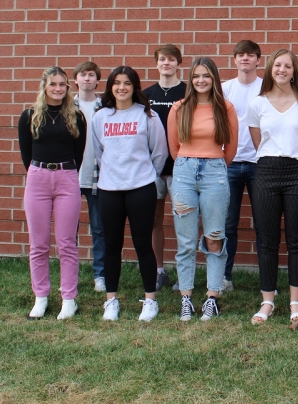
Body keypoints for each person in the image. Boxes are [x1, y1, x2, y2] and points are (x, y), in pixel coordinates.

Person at [246, 49, 298, 326]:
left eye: (287, 66)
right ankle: (267, 301)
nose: (282, 70)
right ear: (270, 69)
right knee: (266, 239)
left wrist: (292, 159)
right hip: (266, 171)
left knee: (296, 239)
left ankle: (295, 302)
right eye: (277, 65)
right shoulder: (258, 104)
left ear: (294, 71)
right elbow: (258, 142)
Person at [91, 66, 169, 322]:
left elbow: (159, 154)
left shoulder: (147, 115)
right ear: (110, 87)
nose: (121, 87)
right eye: (117, 83)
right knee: (112, 246)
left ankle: (150, 301)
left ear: (135, 87)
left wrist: (143, 175)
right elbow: (98, 153)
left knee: (142, 245)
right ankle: (111, 301)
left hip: (141, 189)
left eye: (127, 83)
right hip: (109, 190)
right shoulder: (100, 117)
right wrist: (113, 174)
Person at [166, 58, 238, 321]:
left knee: (214, 237)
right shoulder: (179, 108)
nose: (201, 81)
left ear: (214, 79)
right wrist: (191, 161)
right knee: (185, 241)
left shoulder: (225, 108)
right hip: (184, 173)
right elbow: (174, 147)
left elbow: (230, 149)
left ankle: (212, 298)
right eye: (196, 76)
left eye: (206, 76)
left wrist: (212, 164)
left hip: (215, 174)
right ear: (190, 79)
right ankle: (186, 298)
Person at [17, 66, 87, 320]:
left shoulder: (76, 116)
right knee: (39, 244)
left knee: (67, 243)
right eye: (53, 84)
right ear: (44, 86)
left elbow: (78, 154)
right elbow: (26, 153)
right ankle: (41, 298)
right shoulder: (30, 115)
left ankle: (69, 299)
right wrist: (41, 173)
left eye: (63, 84)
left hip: (67, 178)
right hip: (37, 179)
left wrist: (62, 173)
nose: (58, 88)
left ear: (68, 87)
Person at [142, 44, 187, 291]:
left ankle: (184, 274)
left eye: (171, 59)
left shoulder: (189, 91)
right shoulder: (145, 94)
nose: (166, 63)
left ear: (179, 63)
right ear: (156, 63)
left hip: (182, 166)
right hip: (152, 168)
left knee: (184, 220)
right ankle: (159, 271)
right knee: (154, 219)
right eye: (162, 59)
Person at [221, 39, 263, 293]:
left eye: (250, 55)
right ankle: (224, 278)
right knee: (227, 223)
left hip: (260, 163)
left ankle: (265, 281)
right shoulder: (225, 89)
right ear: (234, 60)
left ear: (259, 59)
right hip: (229, 163)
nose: (245, 58)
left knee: (263, 223)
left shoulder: (266, 88)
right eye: (240, 55)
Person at [73, 61, 106, 292]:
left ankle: (100, 275)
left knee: (99, 229)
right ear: (75, 79)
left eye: (91, 75)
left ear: (97, 80)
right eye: (83, 75)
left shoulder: (104, 107)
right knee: (68, 231)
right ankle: (70, 275)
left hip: (98, 176)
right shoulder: (66, 105)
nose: (87, 79)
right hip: (71, 176)